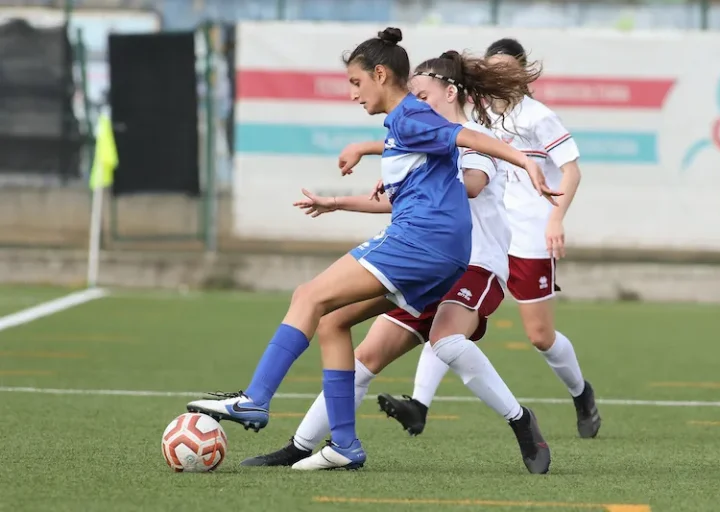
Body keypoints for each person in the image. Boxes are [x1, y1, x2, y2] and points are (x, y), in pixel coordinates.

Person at [186, 28, 559, 470]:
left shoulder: (411, 117)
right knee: (333, 322)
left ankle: (255, 398)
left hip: (429, 247)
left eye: (356, 83)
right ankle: (341, 444)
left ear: (381, 75)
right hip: (438, 252)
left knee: (309, 296)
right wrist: (342, 191)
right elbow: (420, 165)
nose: (352, 94)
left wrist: (524, 164)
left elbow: (470, 145)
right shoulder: (407, 129)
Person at [378, 38, 601, 441]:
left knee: (540, 336)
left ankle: (581, 393)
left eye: (507, 68)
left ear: (521, 71)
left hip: (530, 232)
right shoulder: (474, 115)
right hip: (483, 236)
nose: (500, 74)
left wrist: (556, 219)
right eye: (492, 67)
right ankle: (420, 405)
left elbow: (572, 171)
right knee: (448, 318)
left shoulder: (538, 116)